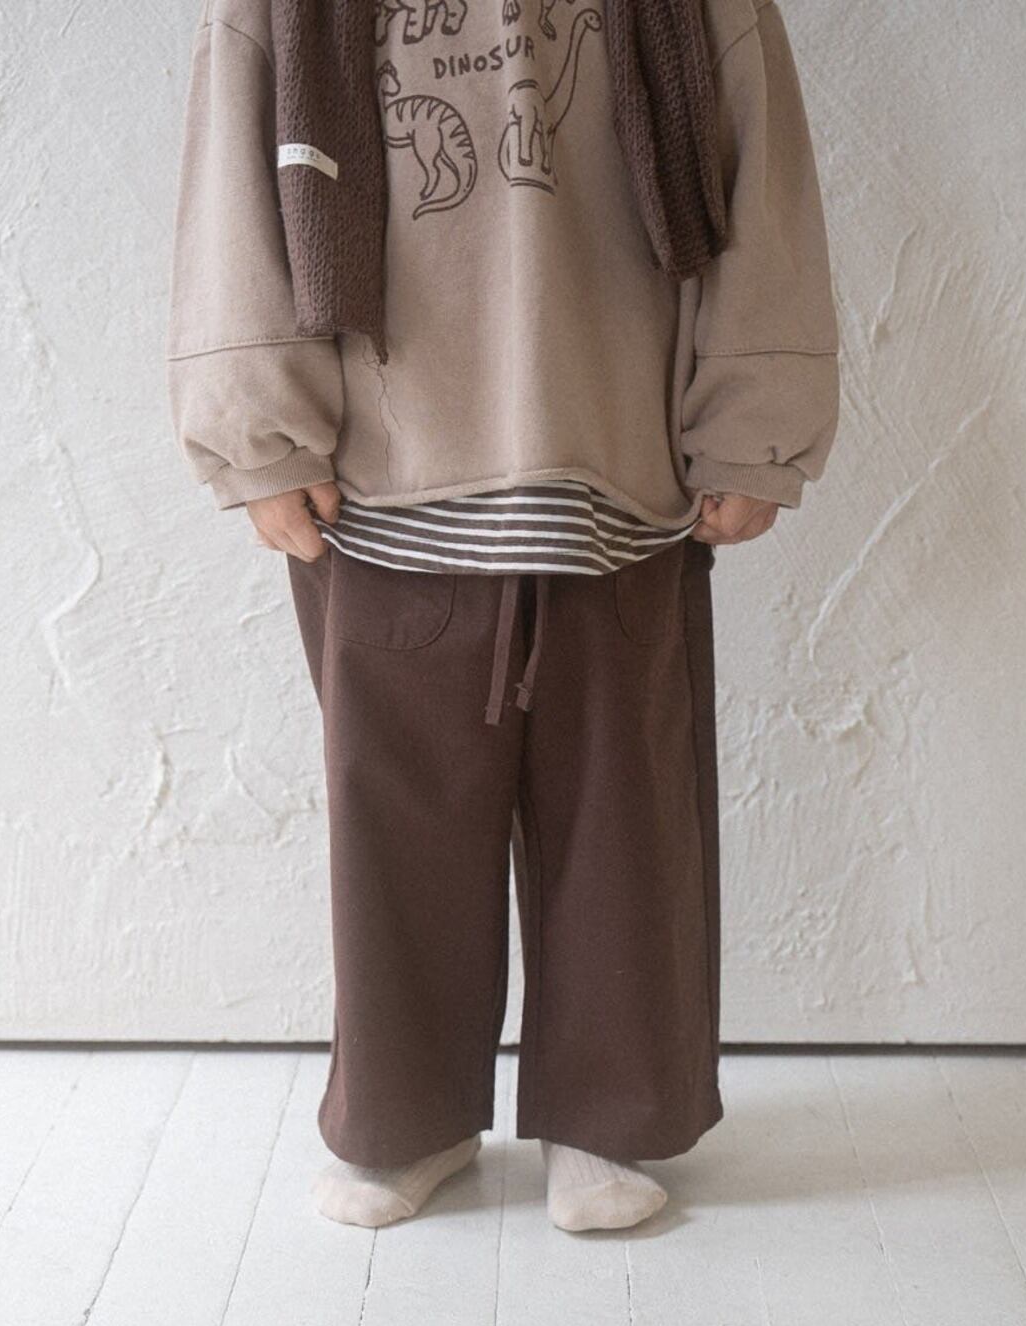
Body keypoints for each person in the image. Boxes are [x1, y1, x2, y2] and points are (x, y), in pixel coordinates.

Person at [166, 0, 839, 1231]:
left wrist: (754, 418)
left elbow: (760, 167)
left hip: (617, 455)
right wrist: (255, 431)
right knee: (396, 822)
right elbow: (233, 175)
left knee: (623, 817)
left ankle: (607, 1113)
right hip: (381, 476)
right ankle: (407, 1116)